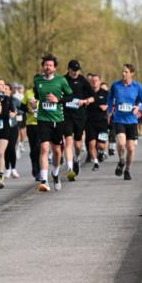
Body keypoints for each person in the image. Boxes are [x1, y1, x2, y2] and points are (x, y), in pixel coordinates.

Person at [32, 54, 73, 192]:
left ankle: (55, 173)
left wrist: (58, 100)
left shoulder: (61, 81)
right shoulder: (37, 80)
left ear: (54, 68)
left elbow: (70, 96)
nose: (47, 67)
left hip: (58, 120)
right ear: (43, 67)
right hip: (43, 119)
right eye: (45, 65)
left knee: (56, 151)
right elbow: (37, 95)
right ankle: (44, 180)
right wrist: (34, 101)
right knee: (44, 148)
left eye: (50, 65)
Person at [107, 64, 142, 180]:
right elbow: (109, 98)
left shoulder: (137, 87)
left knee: (130, 148)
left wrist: (138, 108)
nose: (123, 74)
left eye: (126, 72)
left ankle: (127, 169)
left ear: (132, 74)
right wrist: (110, 110)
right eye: (123, 71)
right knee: (121, 143)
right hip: (119, 119)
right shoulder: (116, 85)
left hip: (132, 120)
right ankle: (121, 160)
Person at [63, 59, 95, 180]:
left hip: (80, 116)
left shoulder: (83, 80)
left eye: (77, 70)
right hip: (66, 115)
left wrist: (85, 101)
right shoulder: (63, 80)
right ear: (69, 69)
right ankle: (70, 169)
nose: (76, 72)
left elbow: (93, 97)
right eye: (73, 70)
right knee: (68, 141)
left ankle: (76, 158)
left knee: (77, 145)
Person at [85, 73, 110, 169]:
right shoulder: (87, 93)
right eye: (92, 81)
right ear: (90, 82)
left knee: (101, 145)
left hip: (102, 122)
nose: (94, 82)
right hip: (90, 122)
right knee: (91, 144)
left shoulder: (105, 93)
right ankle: (96, 162)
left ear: (99, 82)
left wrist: (106, 106)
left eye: (96, 81)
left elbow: (112, 104)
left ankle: (101, 152)